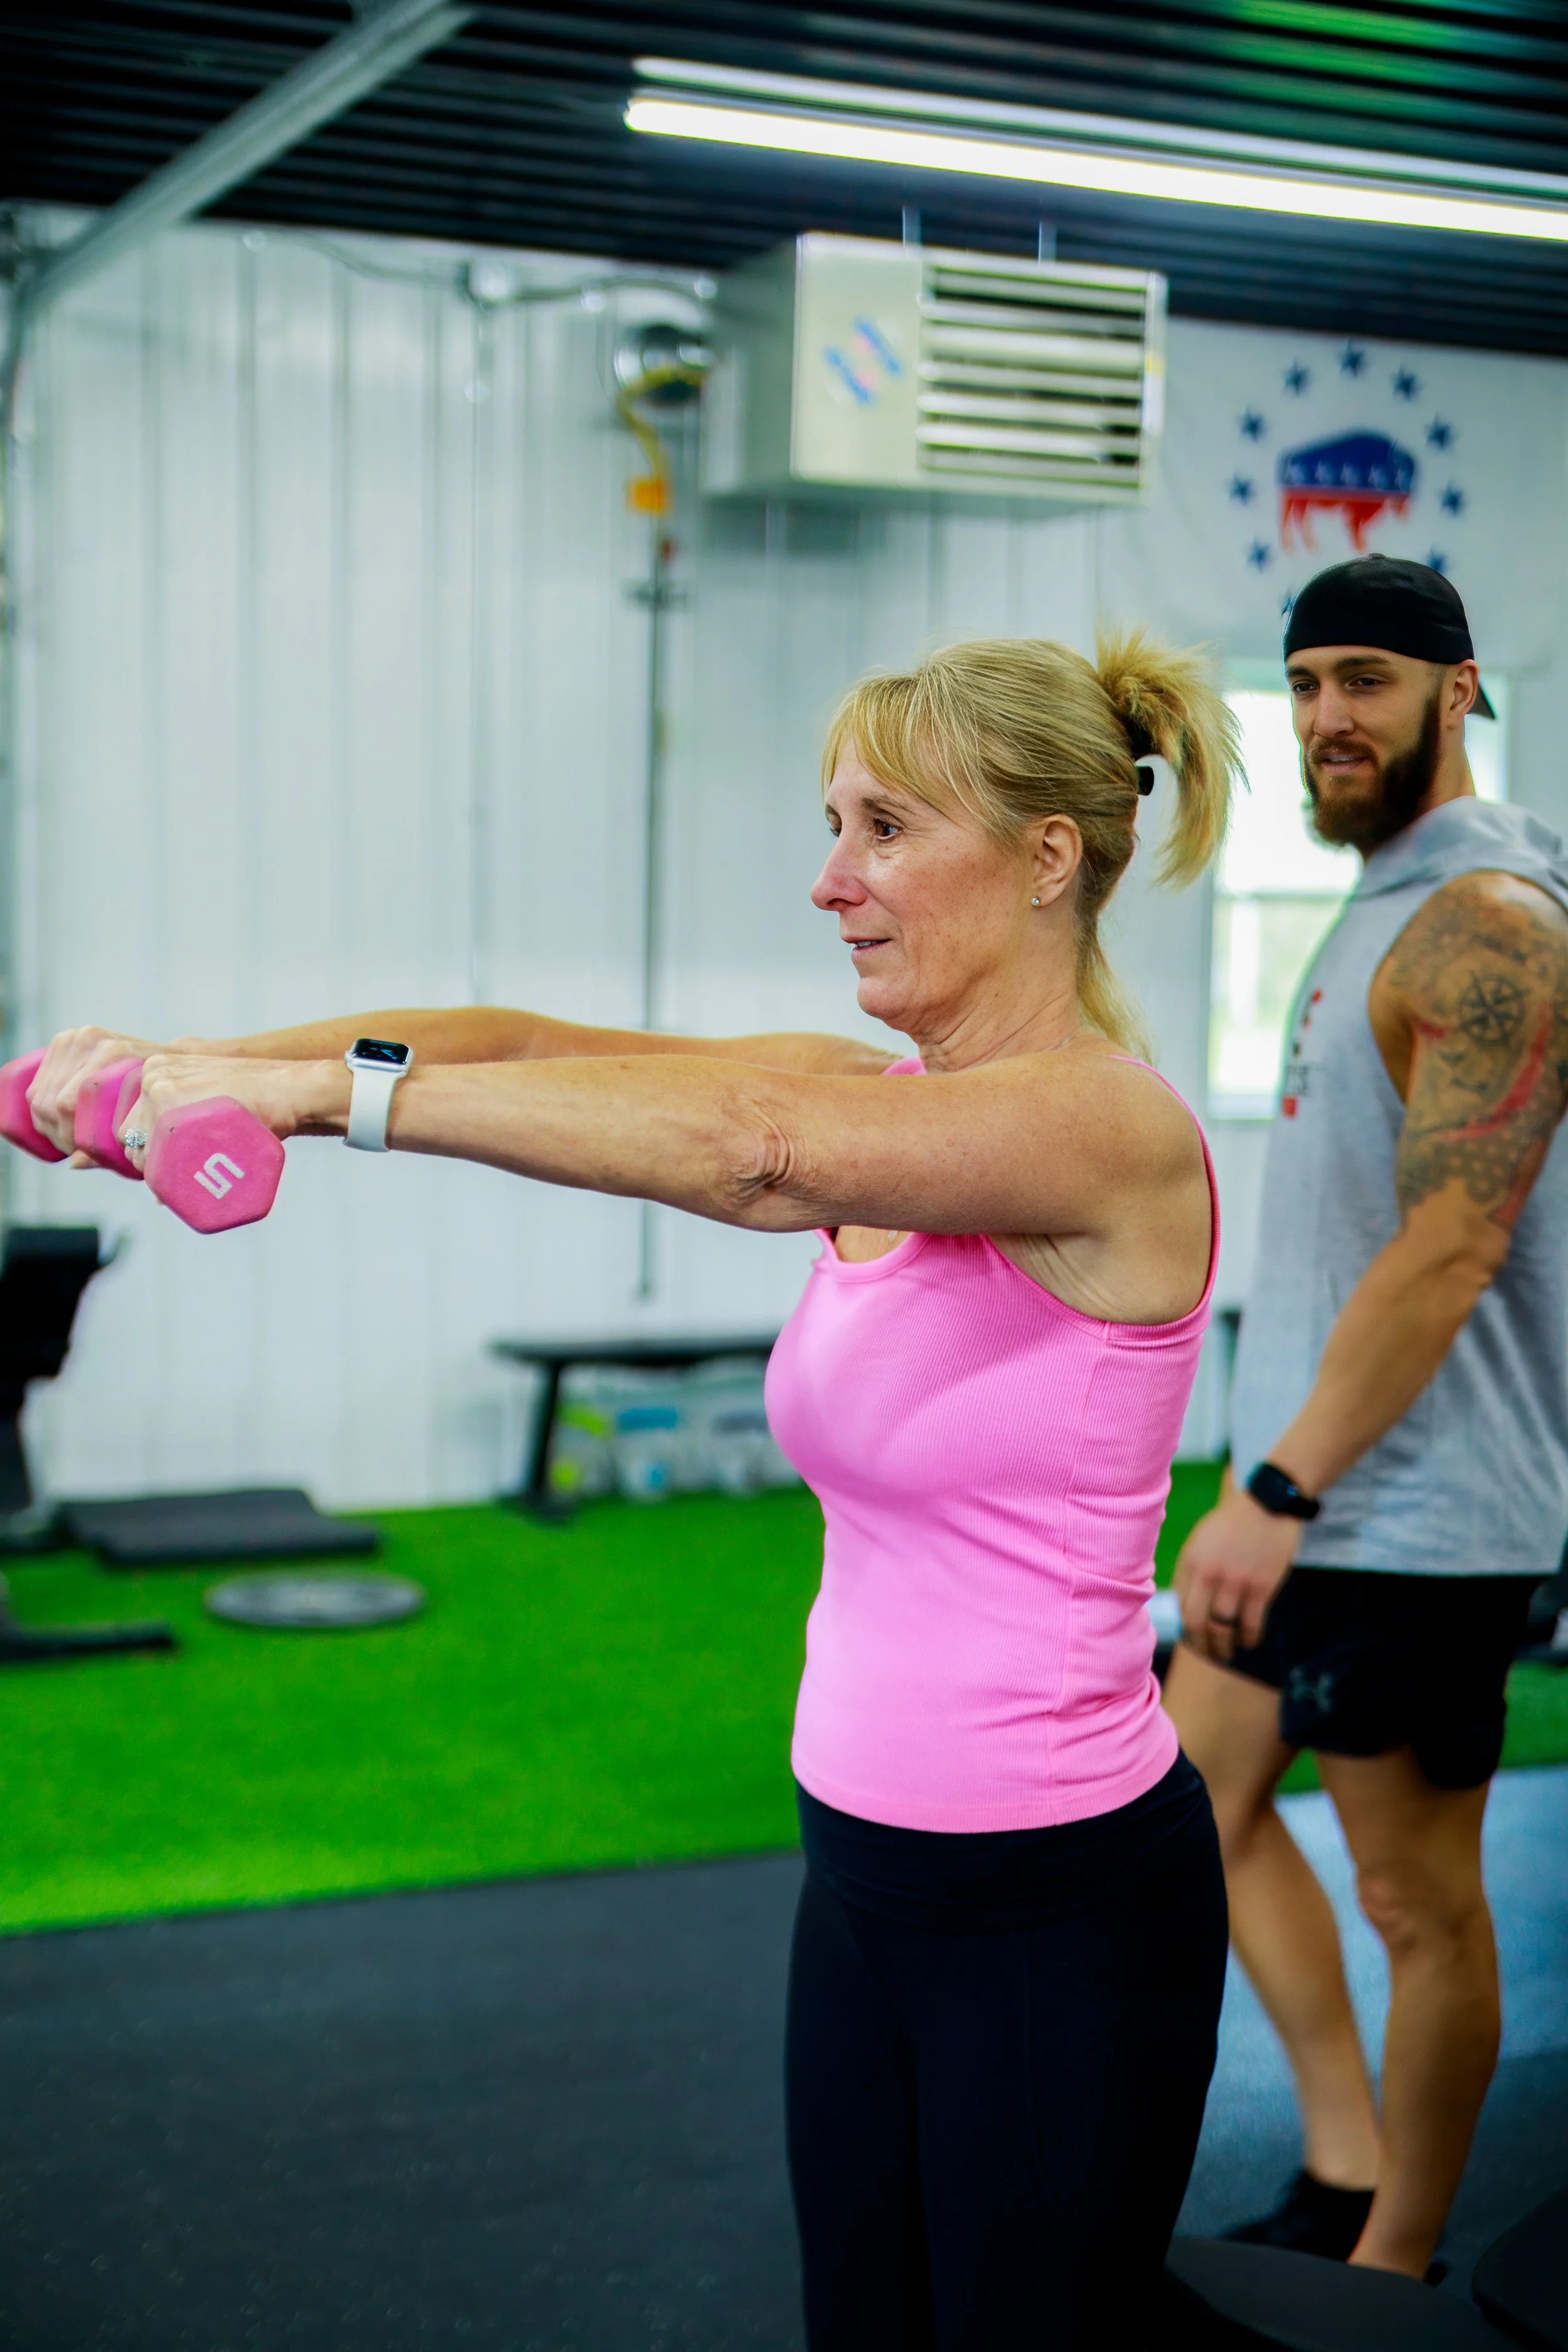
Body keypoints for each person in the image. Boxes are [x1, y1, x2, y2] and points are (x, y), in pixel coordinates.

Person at [31, 630, 1240, 2350]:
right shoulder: (886, 1096)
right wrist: (181, 1063)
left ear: (1049, 854)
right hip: (860, 1872)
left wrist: (314, 1100)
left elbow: (754, 1155)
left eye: (885, 827)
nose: (832, 880)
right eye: (834, 825)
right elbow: (522, 1039)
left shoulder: (1102, 1130)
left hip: (1050, 1901)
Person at [1165, 555, 1568, 2284]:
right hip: (1317, 1497)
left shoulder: (1491, 918)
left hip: (1419, 1515)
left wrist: (1273, 1481)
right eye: (1308, 680)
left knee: (1414, 1897)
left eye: (1369, 679)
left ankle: (1393, 2266)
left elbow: (1454, 1236)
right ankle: (1341, 2156)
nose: (1330, 715)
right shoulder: (1375, 897)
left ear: (1455, 690)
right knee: (1197, 1796)